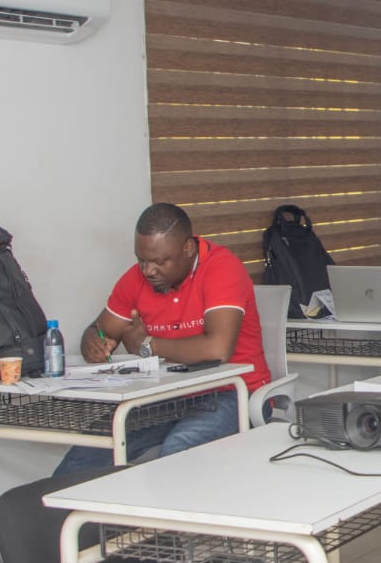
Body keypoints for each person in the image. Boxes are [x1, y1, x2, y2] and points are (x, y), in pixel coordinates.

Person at [54, 203, 270, 474]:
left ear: (188, 248)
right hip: (169, 394)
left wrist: (146, 345)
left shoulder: (221, 268)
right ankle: (58, 504)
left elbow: (217, 349)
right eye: (141, 260)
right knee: (91, 448)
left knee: (178, 449)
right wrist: (92, 341)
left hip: (234, 393)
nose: (148, 270)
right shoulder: (137, 278)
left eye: (159, 262)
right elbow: (102, 330)